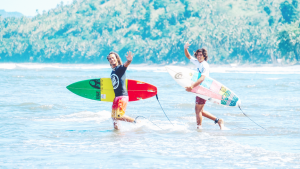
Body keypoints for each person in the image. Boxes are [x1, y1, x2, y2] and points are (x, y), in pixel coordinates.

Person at [184, 42, 225, 130]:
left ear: (204, 56)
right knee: (200, 111)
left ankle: (199, 128)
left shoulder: (204, 65)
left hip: (204, 89)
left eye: (201, 55)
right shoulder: (198, 63)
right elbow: (188, 56)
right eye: (198, 55)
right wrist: (185, 48)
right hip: (200, 88)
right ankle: (218, 121)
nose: (199, 56)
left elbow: (202, 78)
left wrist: (191, 87)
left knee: (198, 110)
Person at [107, 51, 135, 130]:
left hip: (122, 96)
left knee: (119, 116)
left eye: (113, 58)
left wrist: (129, 61)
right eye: (110, 59)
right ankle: (118, 135)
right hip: (116, 97)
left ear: (116, 59)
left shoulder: (119, 68)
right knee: (114, 117)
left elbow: (125, 66)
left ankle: (136, 122)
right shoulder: (113, 70)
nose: (112, 60)